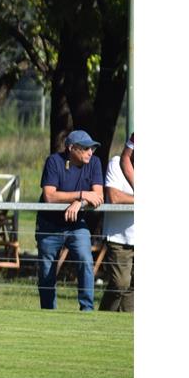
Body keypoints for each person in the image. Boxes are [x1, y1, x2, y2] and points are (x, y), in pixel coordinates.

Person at [36, 129, 104, 311]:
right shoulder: (53, 161)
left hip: (77, 225)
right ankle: (48, 313)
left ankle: (87, 310)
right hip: (49, 224)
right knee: (46, 270)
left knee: (85, 260)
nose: (91, 152)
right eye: (86, 148)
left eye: (93, 148)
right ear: (71, 148)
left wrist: (79, 202)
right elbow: (49, 196)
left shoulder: (95, 162)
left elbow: (98, 195)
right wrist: (82, 194)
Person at [100, 134, 134, 312]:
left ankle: (124, 324)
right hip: (119, 238)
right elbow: (114, 197)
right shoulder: (116, 163)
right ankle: (104, 318)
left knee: (134, 288)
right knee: (120, 284)